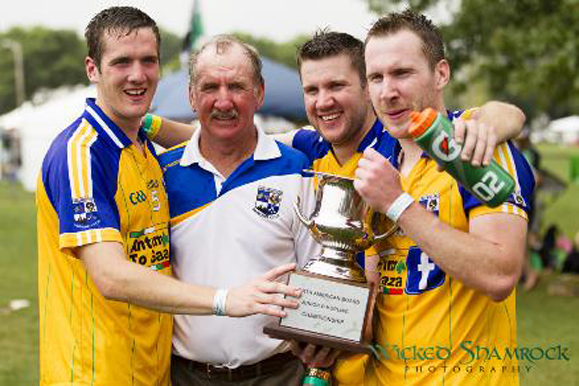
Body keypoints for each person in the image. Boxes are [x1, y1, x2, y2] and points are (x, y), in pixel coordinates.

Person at [145, 30, 526, 384]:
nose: (323, 100)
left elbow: (499, 271)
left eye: (337, 85)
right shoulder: (313, 149)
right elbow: (228, 133)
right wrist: (140, 122)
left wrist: (495, 118)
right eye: (312, 89)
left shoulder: (453, 145)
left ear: (364, 91)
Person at [37, 8, 302, 386]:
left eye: (148, 61)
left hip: (154, 371)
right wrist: (226, 300)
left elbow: (215, 138)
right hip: (93, 374)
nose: (137, 75)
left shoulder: (143, 151)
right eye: (121, 62)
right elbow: (110, 276)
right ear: (92, 69)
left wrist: (291, 141)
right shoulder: (80, 152)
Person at [353, 10, 535, 385]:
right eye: (376, 77)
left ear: (441, 73)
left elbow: (500, 274)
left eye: (402, 73)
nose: (388, 91)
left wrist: (398, 204)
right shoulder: (378, 161)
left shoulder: (475, 146)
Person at [156, 35, 320, 385]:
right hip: (187, 375)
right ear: (191, 95)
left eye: (237, 86)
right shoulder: (162, 173)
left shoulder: (296, 167)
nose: (223, 100)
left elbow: (316, 274)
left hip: (279, 373)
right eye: (210, 86)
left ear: (259, 93)